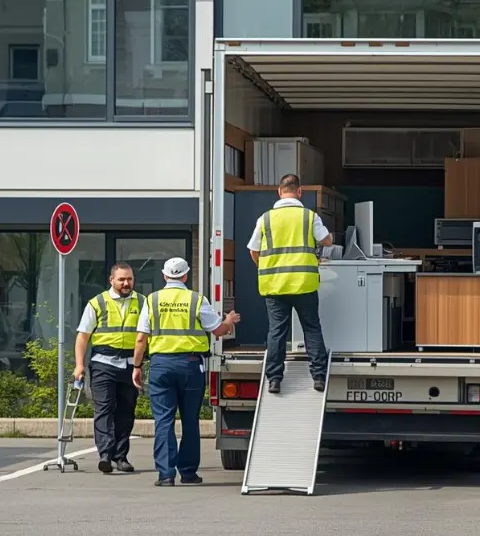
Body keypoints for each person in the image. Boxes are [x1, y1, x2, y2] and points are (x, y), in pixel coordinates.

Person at [133, 257, 240, 487]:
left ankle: (166, 474)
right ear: (185, 276)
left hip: (161, 365)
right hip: (191, 366)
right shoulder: (196, 299)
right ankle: (189, 473)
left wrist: (137, 366)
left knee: (163, 421)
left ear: (164, 276)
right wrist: (229, 321)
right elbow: (218, 330)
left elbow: (141, 337)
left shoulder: (152, 300)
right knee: (190, 420)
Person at [247, 173, 334, 394]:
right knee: (311, 328)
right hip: (303, 283)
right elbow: (327, 240)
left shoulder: (265, 218)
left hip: (275, 286)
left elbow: (253, 250)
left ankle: (274, 379)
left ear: (279, 191)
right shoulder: (308, 216)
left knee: (277, 331)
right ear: (299, 192)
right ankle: (319, 377)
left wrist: (265, 267)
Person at [74, 262, 143, 474]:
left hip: (130, 365)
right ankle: (105, 454)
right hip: (104, 363)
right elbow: (82, 337)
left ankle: (121, 457)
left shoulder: (143, 302)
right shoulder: (97, 303)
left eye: (129, 279)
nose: (126, 283)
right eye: (121, 279)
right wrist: (79, 365)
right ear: (111, 280)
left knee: (126, 412)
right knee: (104, 409)